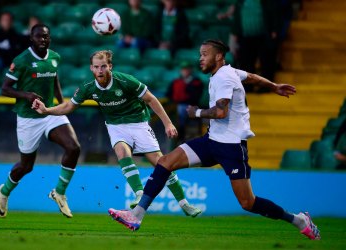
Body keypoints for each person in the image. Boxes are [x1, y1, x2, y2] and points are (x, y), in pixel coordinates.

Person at [108, 39, 321, 241]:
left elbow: (221, 112)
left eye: (204, 54)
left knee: (248, 203)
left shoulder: (224, 77)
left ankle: (298, 220)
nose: (200, 58)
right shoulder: (228, 72)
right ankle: (137, 215)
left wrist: (196, 113)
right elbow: (251, 77)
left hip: (231, 147)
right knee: (165, 163)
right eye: (200, 54)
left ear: (219, 56)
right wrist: (273, 86)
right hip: (211, 141)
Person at [32, 50, 202, 217]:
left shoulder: (125, 80)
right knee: (121, 151)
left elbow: (150, 99)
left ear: (110, 67)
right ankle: (139, 193)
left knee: (162, 163)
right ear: (91, 68)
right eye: (96, 67)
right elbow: (69, 106)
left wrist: (168, 123)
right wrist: (47, 110)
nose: (100, 70)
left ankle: (184, 204)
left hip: (139, 123)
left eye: (103, 66)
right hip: (115, 126)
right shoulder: (88, 87)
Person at [0, 24, 81, 219]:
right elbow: (5, 89)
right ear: (31, 39)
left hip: (50, 112)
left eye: (46, 36)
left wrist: (62, 105)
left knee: (74, 147)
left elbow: (54, 80)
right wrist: (26, 95)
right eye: (39, 37)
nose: (43, 39)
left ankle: (59, 192)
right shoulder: (22, 60)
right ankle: (4, 191)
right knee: (26, 166)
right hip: (28, 119)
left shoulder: (55, 57)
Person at [231, 0, 282, 91]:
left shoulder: (267, 2)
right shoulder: (240, 2)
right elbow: (237, 18)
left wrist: (274, 30)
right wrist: (235, 33)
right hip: (245, 37)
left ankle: (266, 87)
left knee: (266, 63)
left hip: (264, 36)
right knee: (246, 64)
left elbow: (273, 15)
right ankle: (248, 87)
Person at [166, 61, 203, 143]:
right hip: (176, 105)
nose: (185, 71)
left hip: (191, 105)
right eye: (183, 69)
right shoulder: (176, 82)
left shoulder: (196, 82)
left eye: (187, 69)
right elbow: (169, 94)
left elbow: (196, 97)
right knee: (178, 109)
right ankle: (177, 135)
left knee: (182, 109)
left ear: (190, 70)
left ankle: (181, 135)